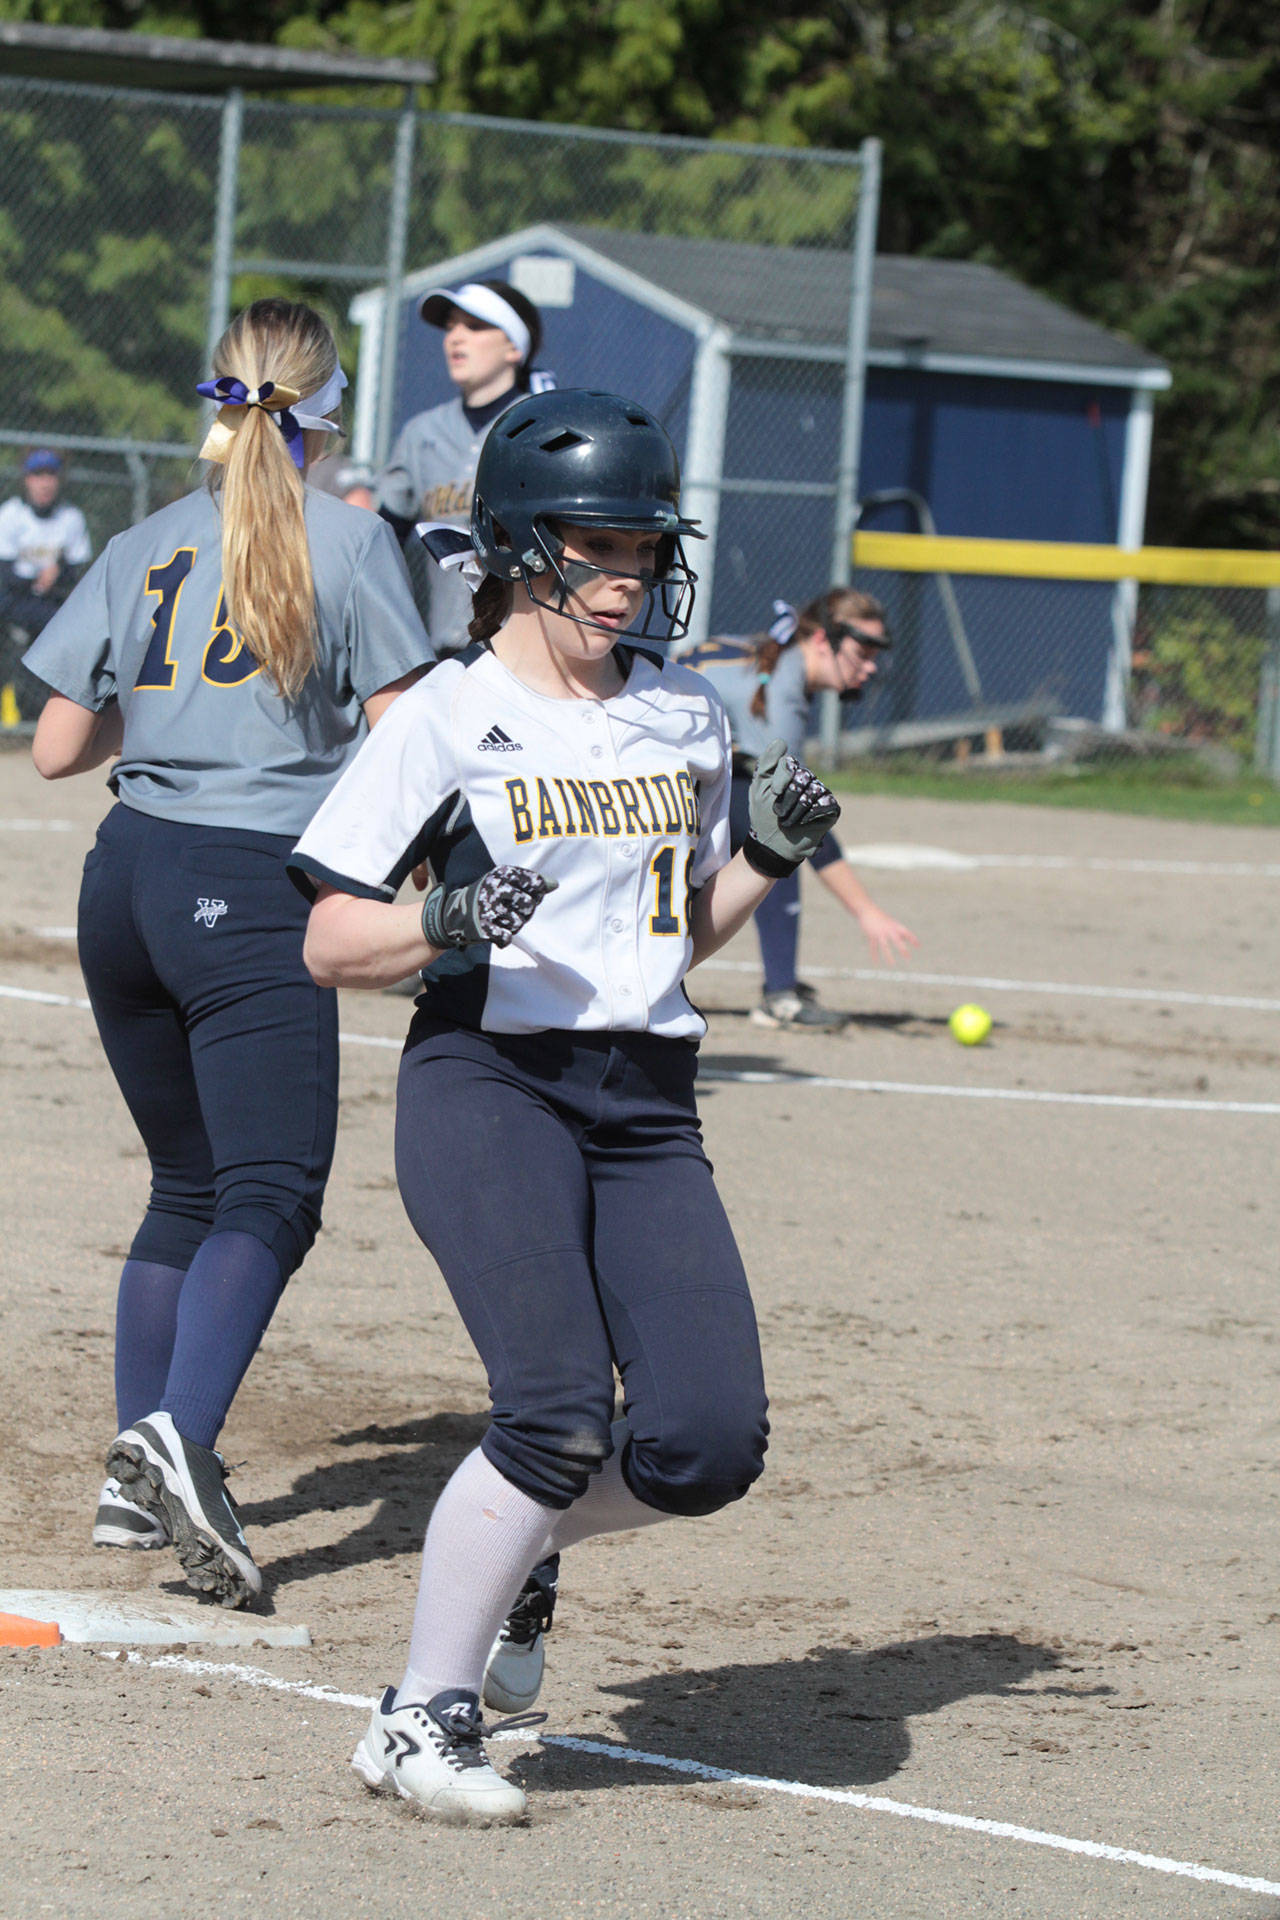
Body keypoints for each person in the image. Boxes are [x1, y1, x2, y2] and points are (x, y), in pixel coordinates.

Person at [290, 387, 840, 1824]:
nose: (629, 575)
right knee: (550, 1411)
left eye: (646, 548)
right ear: (521, 549)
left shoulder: (685, 709)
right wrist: (447, 921)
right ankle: (419, 1717)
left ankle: (519, 1539)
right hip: (491, 1081)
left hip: (649, 1098)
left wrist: (767, 861)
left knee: (707, 1446)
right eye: (596, 545)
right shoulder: (451, 715)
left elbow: (677, 935)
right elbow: (333, 941)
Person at [24, 298, 433, 1607]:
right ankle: (179, 1444)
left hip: (124, 876)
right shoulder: (356, 539)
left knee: (184, 1184)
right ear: (329, 412)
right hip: (248, 883)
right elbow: (408, 743)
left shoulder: (147, 536)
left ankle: (132, 1470)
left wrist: (159, 718)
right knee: (269, 1193)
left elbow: (52, 746)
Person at [686, 590, 918, 1030]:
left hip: (689, 778)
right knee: (781, 834)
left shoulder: (781, 665)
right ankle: (780, 996)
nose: (870, 665)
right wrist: (867, 911)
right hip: (654, 783)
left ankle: (779, 987)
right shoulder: (784, 686)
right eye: (861, 651)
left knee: (772, 829)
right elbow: (797, 815)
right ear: (819, 641)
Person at [374, 278, 549, 655]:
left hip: (525, 648)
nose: (455, 337)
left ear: (514, 348)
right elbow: (384, 541)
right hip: (435, 648)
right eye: (451, 325)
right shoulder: (421, 433)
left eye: (474, 325)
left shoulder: (542, 428)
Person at [0, 449, 93, 719]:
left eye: (51, 475)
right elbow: (5, 574)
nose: (45, 483)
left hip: (51, 602)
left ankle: (41, 716)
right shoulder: (10, 515)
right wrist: (38, 577)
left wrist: (57, 574)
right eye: (37, 475)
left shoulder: (70, 518)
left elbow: (76, 570)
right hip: (15, 601)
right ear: (26, 480)